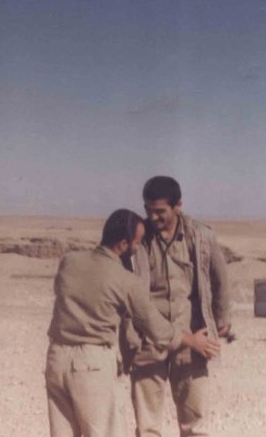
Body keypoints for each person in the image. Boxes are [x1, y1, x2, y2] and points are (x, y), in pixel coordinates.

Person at [45, 209, 205, 437]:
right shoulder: (126, 280)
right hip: (91, 364)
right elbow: (155, 327)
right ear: (123, 244)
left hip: (56, 359)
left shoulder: (69, 262)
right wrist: (189, 339)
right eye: (137, 242)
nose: (138, 248)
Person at [122, 176, 231, 437]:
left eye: (160, 211)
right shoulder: (138, 239)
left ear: (178, 205)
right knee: (147, 425)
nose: (153, 217)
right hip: (149, 340)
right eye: (148, 210)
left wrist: (220, 320)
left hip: (192, 341)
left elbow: (220, 279)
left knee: (195, 423)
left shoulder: (201, 237)